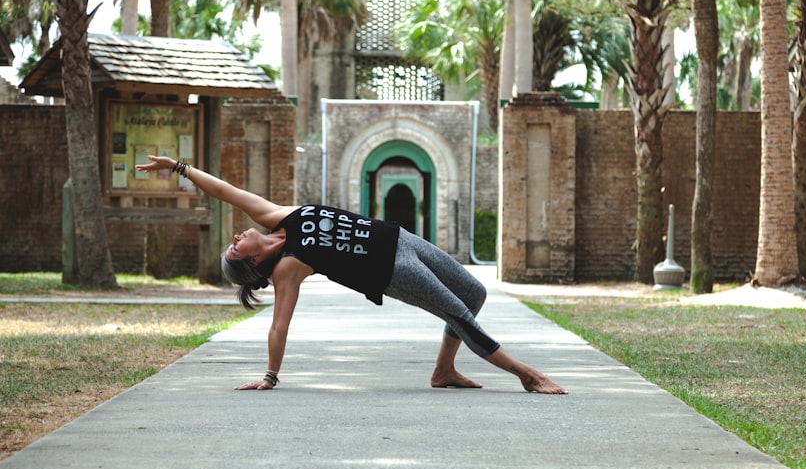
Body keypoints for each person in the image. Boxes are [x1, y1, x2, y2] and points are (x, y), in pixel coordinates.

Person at [136, 156, 566, 395]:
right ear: (252, 266)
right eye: (234, 248)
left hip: (401, 239)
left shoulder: (276, 216)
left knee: (472, 293)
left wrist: (178, 167)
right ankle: (528, 375)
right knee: (458, 312)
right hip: (390, 269)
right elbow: (279, 325)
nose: (236, 235)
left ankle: (443, 372)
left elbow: (225, 190)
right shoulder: (289, 268)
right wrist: (269, 375)